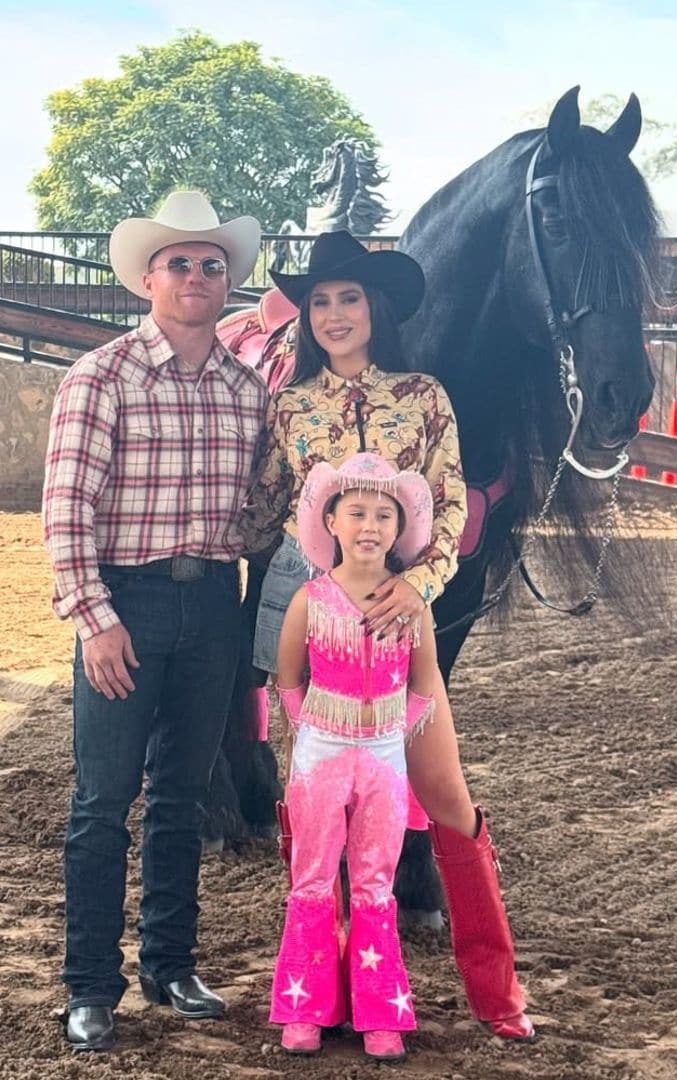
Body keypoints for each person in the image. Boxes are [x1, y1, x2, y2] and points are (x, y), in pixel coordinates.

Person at [244, 230, 536, 1042]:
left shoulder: (425, 397)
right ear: (307, 314)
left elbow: (447, 507)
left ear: (376, 307)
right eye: (322, 301)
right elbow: (264, 510)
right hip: (318, 625)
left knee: (446, 798)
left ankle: (497, 992)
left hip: (404, 631)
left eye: (350, 297)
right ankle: (330, 995)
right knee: (320, 816)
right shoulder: (291, 406)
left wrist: (419, 585)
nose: (335, 314)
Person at [43, 191, 268, 1052]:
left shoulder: (249, 392)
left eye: (212, 265)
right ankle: (90, 983)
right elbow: (67, 512)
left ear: (225, 282)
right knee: (103, 800)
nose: (197, 276)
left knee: (182, 797)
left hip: (213, 601)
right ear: (149, 277)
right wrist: (94, 620)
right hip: (126, 604)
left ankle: (170, 965)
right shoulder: (99, 376)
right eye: (180, 263)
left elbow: (266, 507)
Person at [270, 452, 438, 1063]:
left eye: (383, 515)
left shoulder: (412, 607)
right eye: (357, 512)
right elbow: (287, 679)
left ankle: (379, 1011)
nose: (370, 526)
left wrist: (391, 733)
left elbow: (425, 684)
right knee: (313, 876)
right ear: (333, 522)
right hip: (322, 755)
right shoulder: (309, 601)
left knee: (374, 881)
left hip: (385, 759)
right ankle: (304, 1007)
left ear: (398, 530)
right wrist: (316, 734)